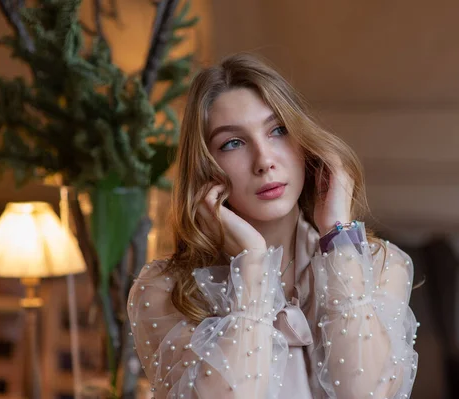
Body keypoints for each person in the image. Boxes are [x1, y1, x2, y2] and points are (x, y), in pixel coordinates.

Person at [128, 53, 418, 399]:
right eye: (233, 143)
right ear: (207, 168)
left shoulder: (381, 265)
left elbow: (366, 394)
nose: (264, 161)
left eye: (278, 130)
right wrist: (251, 268)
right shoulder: (165, 289)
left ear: (304, 143)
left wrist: (338, 234)